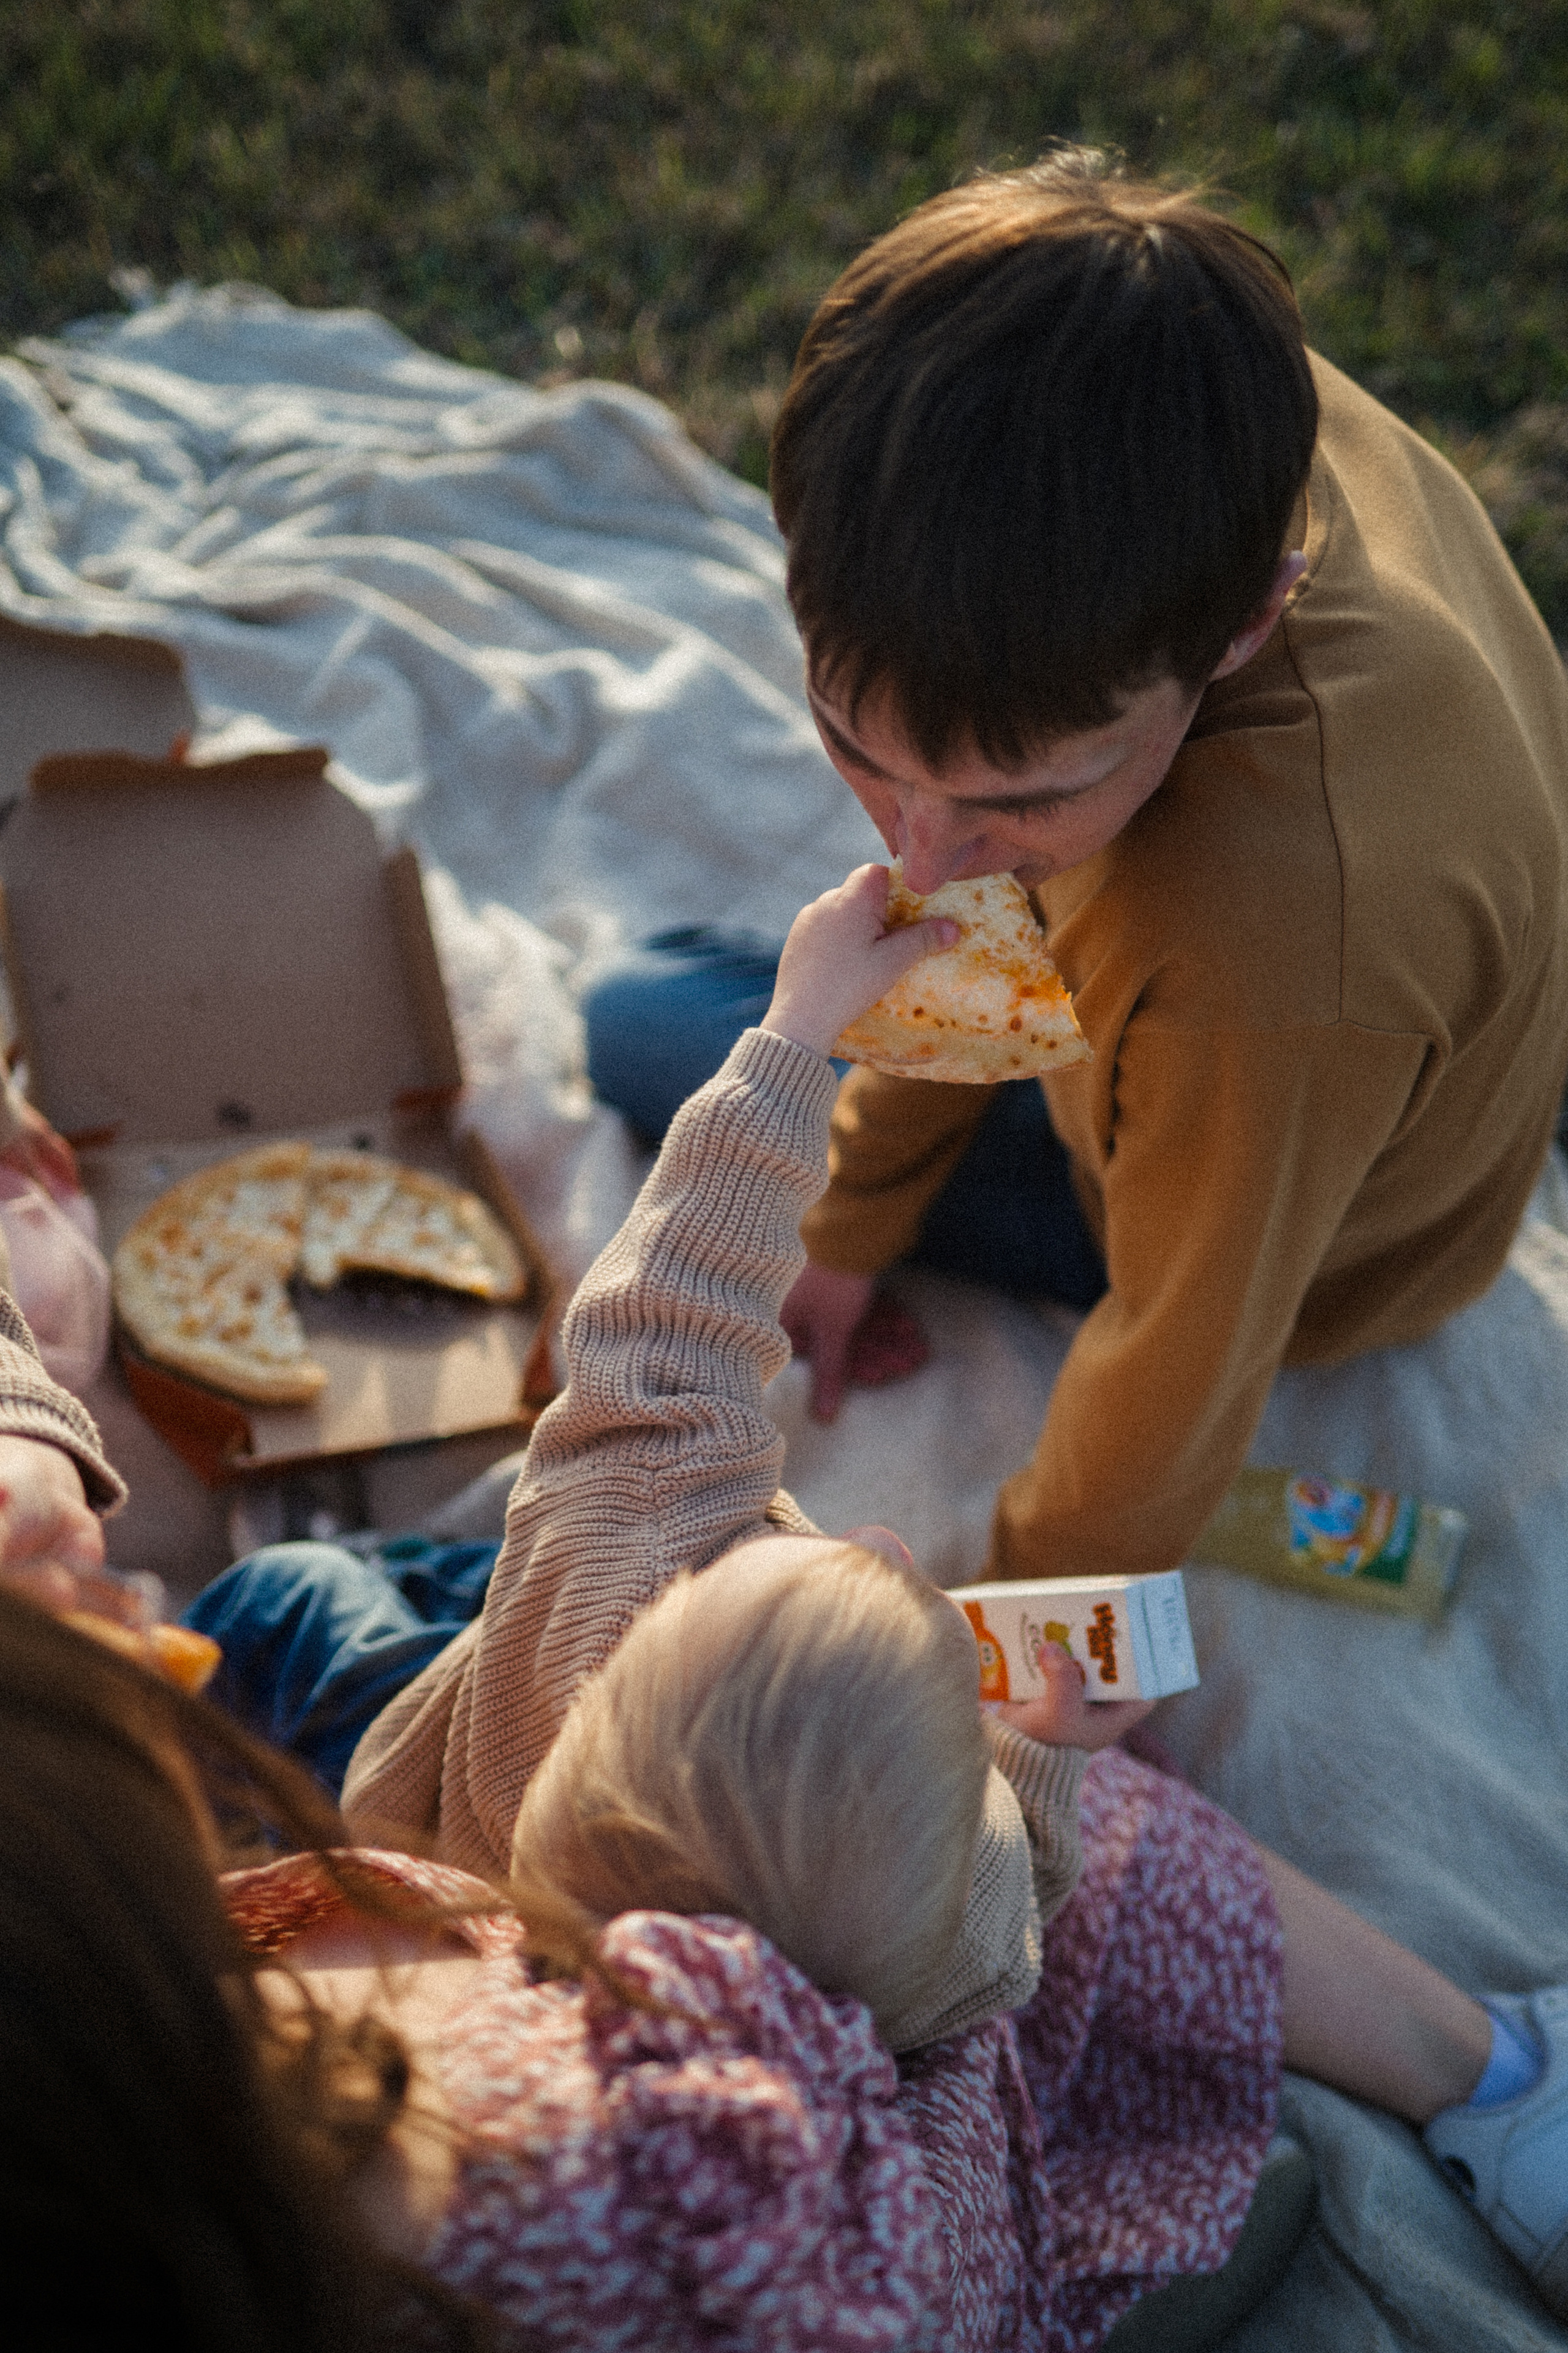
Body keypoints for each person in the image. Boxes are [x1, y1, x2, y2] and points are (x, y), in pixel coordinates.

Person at [6, 872, 1568, 2341]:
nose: (888, 1546)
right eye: (866, 1575)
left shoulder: (537, 1702)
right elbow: (1012, 1912)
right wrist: (1039, 1754)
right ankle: (1493, 2078)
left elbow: (657, 1363)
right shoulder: (917, 2089)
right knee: (1137, 1859)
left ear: (591, 1682)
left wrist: (793, 1033)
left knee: (298, 1599)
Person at [584, 145, 1568, 1589]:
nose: (915, 849)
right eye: (857, 747)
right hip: (1328, 1069)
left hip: (1333, 1250)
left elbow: (1180, 1359)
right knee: (671, 1005)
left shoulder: (1263, 955)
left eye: (1017, 798)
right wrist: (852, 1223)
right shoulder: (1191, 438)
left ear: (1245, 624)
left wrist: (1010, 1629)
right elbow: (982, 908)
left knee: (635, 1020)